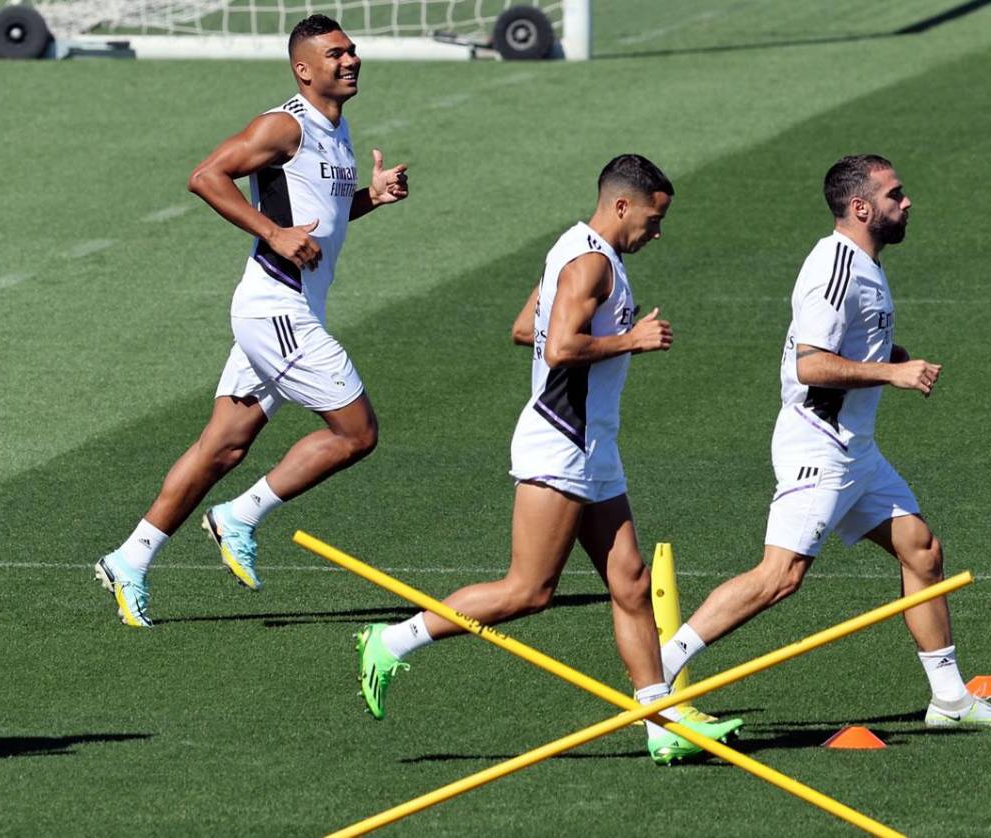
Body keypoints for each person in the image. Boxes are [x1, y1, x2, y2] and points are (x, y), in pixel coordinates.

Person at [354, 155, 744, 766]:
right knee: (528, 591)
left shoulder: (573, 248)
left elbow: (521, 329)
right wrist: (630, 340)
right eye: (653, 218)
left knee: (632, 583)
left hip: (594, 445)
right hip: (560, 441)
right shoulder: (591, 262)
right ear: (621, 206)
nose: (657, 232)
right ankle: (392, 641)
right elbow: (558, 346)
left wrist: (602, 338)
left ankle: (660, 721)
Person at [657, 155, 991, 727]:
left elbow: (849, 344)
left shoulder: (865, 264)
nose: (907, 203)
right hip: (819, 445)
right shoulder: (835, 267)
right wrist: (892, 374)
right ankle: (656, 680)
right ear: (861, 207)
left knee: (921, 549)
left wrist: (890, 356)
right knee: (780, 577)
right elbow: (810, 366)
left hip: (857, 449)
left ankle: (949, 700)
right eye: (895, 195)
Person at [94, 14, 408, 628]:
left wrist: (372, 197)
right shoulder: (282, 125)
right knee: (356, 432)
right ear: (304, 68)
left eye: (352, 51)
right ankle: (239, 516)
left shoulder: (334, 131)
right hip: (276, 310)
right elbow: (206, 176)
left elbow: (316, 223)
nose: (350, 61)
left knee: (222, 446)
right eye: (335, 55)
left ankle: (128, 560)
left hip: (284, 308)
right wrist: (271, 232)